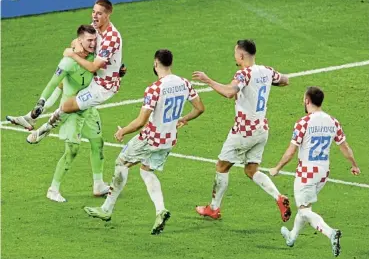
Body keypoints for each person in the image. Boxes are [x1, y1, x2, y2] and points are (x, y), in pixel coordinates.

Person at [84, 49, 205, 235]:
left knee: (121, 163)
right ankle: (160, 210)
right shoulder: (185, 83)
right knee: (147, 171)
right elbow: (199, 108)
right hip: (169, 139)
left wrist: (122, 131)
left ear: (156, 63)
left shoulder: (154, 89)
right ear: (170, 63)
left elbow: (141, 122)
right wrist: (182, 119)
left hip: (150, 138)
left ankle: (107, 209)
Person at [192, 39, 291, 222]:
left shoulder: (243, 74)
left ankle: (213, 209)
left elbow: (230, 92)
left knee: (222, 166)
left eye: (235, 53)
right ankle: (278, 197)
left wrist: (208, 80)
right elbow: (285, 80)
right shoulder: (267, 71)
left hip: (244, 131)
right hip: (262, 129)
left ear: (242, 55)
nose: (234, 56)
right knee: (251, 170)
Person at [7, 25, 109, 201]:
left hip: (89, 108)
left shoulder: (95, 55)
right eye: (89, 40)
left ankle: (98, 184)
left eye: (94, 40)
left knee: (98, 144)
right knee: (72, 150)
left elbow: (108, 66)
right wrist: (41, 102)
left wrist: (120, 71)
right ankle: (53, 189)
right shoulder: (67, 62)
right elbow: (53, 83)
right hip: (71, 110)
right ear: (80, 40)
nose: (93, 43)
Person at [269, 86, 360, 257]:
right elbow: (344, 147)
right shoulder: (333, 121)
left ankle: (330, 232)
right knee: (305, 206)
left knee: (304, 210)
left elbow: (291, 151)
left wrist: (277, 168)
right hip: (323, 172)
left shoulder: (303, 123)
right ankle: (291, 237)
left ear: (307, 100)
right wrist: (354, 164)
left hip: (306, 171)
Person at [26, 0, 123, 144]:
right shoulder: (95, 27)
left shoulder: (111, 38)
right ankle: (33, 116)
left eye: (99, 14)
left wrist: (72, 54)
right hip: (92, 77)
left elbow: (93, 67)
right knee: (65, 81)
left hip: (103, 86)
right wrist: (75, 46)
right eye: (93, 12)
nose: (94, 16)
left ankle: (44, 129)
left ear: (108, 15)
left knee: (67, 106)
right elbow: (78, 40)